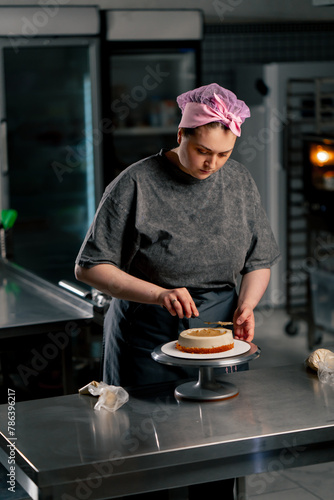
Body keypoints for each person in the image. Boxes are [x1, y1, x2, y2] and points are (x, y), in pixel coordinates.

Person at [75, 83, 280, 499]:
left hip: (218, 333)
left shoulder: (237, 182)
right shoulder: (134, 184)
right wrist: (157, 294)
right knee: (147, 449)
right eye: (203, 151)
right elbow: (90, 266)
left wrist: (247, 303)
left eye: (224, 154)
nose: (212, 164)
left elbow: (260, 259)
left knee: (218, 444)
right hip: (146, 329)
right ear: (180, 135)